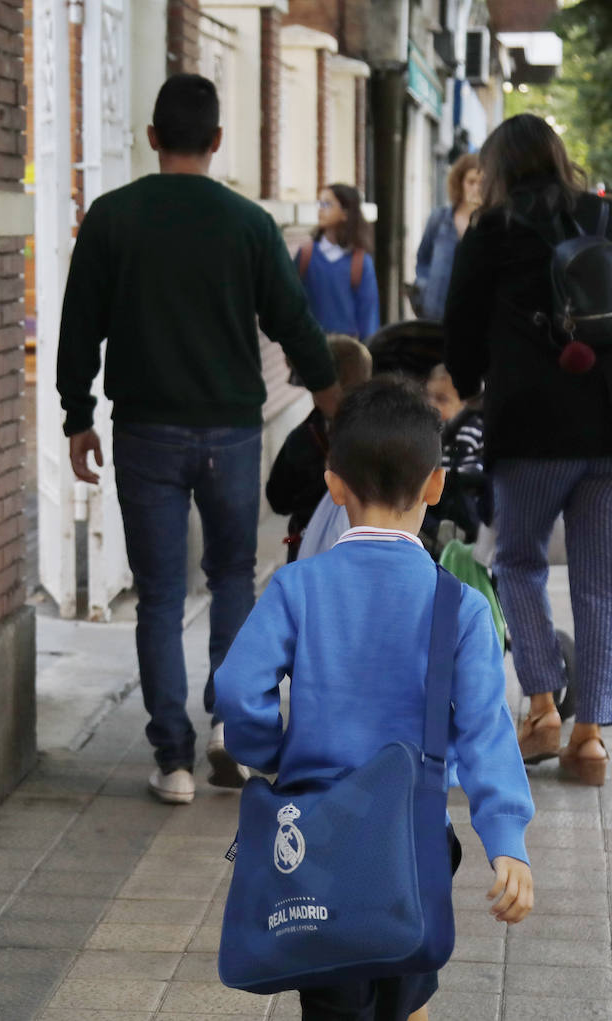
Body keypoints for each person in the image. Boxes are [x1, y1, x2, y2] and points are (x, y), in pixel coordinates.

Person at [57, 74, 341, 806]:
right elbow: (293, 320)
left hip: (145, 429)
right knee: (231, 578)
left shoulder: (112, 218)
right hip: (232, 432)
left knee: (157, 594)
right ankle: (229, 729)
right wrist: (331, 398)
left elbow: (79, 326)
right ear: (217, 141)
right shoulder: (247, 225)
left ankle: (173, 762)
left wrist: (76, 415)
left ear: (152, 138)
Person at [215, 378, 535, 1021]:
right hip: (414, 841)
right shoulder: (461, 606)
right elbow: (484, 730)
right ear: (436, 485)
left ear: (333, 486)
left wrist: (269, 754)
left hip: (317, 841)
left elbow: (235, 687)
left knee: (332, 990)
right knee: (405, 983)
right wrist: (506, 838)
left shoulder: (297, 585)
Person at [443, 114, 612, 787]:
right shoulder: (605, 217)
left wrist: (467, 385)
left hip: (535, 428)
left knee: (517, 561)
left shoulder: (491, 232)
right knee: (605, 578)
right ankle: (590, 740)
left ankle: (543, 706)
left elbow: (457, 329)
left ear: (498, 168)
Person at [267, 335, 373, 561]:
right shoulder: (382, 435)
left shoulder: (302, 440)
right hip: (365, 554)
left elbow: (278, 500)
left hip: (309, 552)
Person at [297, 184, 381, 341]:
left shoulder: (360, 262)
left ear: (345, 213)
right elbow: (293, 304)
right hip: (309, 349)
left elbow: (368, 315)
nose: (320, 209)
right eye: (319, 203)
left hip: (347, 352)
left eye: (327, 204)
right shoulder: (306, 254)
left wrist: (368, 352)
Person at [422, 364, 486, 551]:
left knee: (466, 501)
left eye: (442, 399)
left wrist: (451, 477)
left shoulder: (470, 428)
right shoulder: (425, 431)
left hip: (460, 492)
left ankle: (453, 532)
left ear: (466, 404)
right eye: (429, 397)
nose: (432, 405)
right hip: (435, 492)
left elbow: (474, 469)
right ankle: (436, 531)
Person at [413, 153, 482, 321]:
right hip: (435, 314)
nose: (476, 188)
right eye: (471, 182)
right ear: (460, 183)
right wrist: (425, 287)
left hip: (472, 317)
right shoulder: (440, 219)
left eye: (482, 183)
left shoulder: (492, 224)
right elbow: (423, 258)